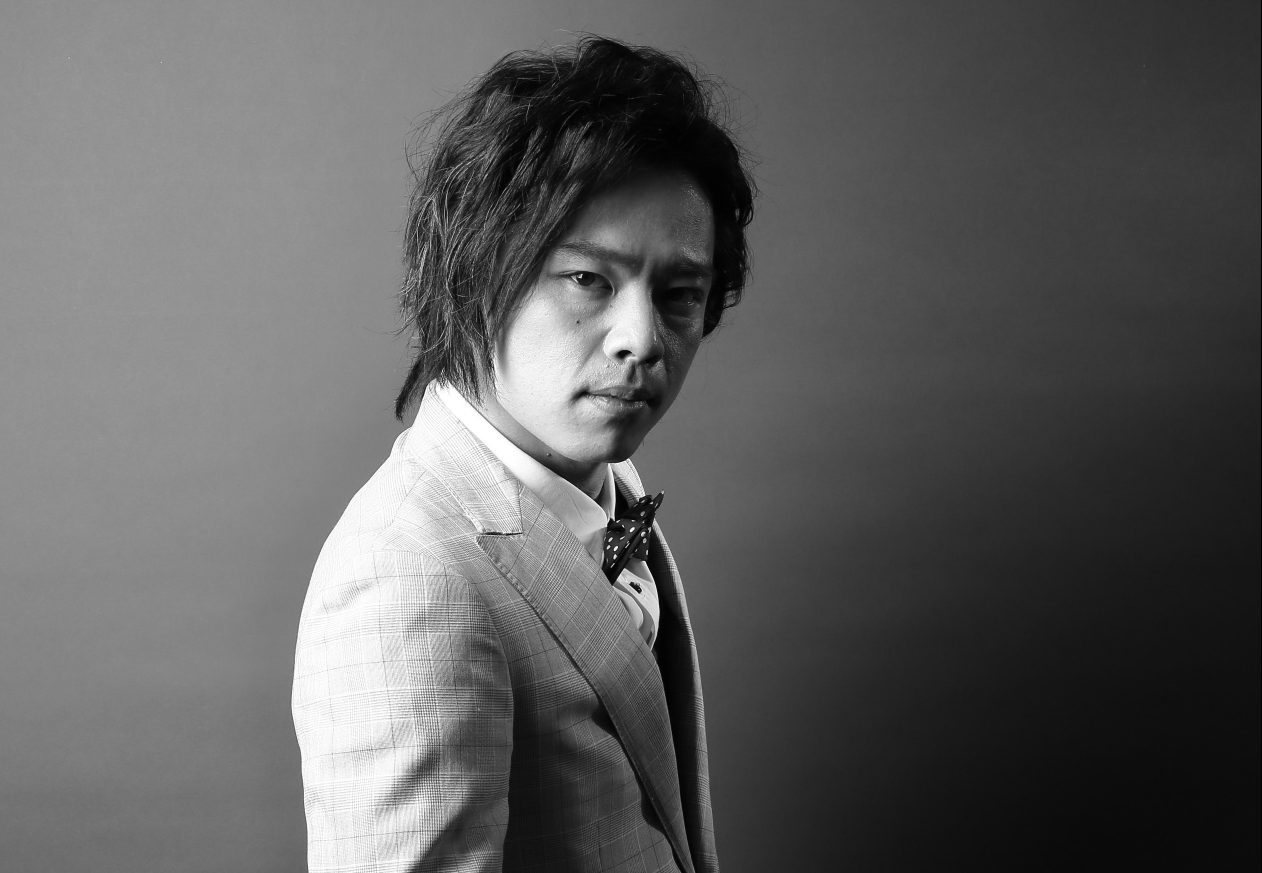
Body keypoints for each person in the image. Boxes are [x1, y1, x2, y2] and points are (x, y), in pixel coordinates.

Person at [292, 36, 754, 873]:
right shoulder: (407, 578)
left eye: (679, 293)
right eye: (588, 280)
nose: (642, 339)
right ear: (479, 276)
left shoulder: (605, 487)